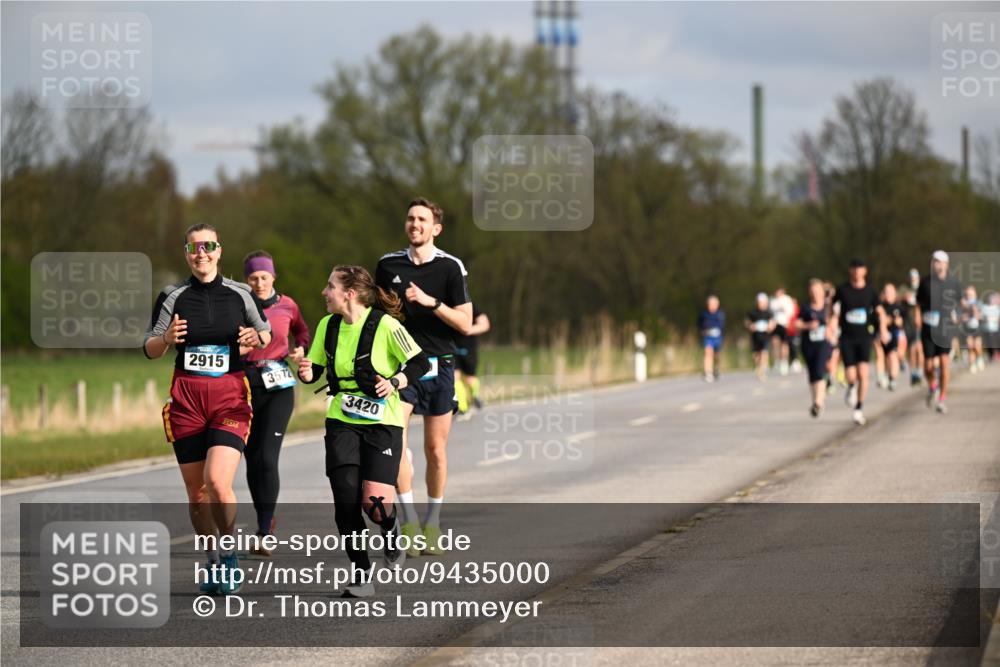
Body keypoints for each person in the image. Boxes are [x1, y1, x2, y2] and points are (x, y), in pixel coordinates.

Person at [144, 223, 272, 595]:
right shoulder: (173, 295)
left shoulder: (241, 293)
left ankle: (229, 553)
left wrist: (256, 337)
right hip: (187, 398)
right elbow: (149, 347)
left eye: (208, 246)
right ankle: (213, 559)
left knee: (217, 481)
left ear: (219, 250)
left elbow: (265, 333)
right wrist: (165, 338)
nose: (201, 253)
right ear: (186, 253)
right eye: (194, 247)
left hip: (229, 396)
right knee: (197, 493)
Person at [297, 265, 429, 597]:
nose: (324, 292)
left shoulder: (385, 325)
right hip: (342, 420)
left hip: (383, 423)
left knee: (375, 503)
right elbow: (314, 370)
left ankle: (390, 528)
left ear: (350, 293)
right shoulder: (327, 326)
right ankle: (362, 574)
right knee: (345, 501)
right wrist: (305, 371)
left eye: (330, 287)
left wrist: (395, 381)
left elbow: (420, 362)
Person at [375, 197, 472, 557]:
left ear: (436, 228)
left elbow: (465, 323)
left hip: (439, 365)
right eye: (411, 218)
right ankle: (410, 521)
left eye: (422, 219)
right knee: (396, 443)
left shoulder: (450, 267)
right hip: (401, 366)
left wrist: (433, 303)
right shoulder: (388, 265)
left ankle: (433, 522)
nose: (415, 224)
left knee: (435, 450)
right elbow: (376, 316)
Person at [241, 250, 311, 555]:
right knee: (252, 458)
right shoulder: (239, 304)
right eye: (253, 278)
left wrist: (301, 348)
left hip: (278, 386)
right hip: (244, 385)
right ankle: (263, 519)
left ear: (273, 277)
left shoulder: (288, 305)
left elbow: (302, 331)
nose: (259, 283)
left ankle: (264, 529)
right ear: (246, 279)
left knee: (267, 458)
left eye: (264, 277)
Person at [831, 258, 889, 426]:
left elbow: (880, 312)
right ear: (850, 271)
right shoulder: (842, 290)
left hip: (864, 336)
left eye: (860, 268)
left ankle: (859, 408)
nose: (857, 271)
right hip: (847, 337)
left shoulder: (870, 291)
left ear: (865, 271)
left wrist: (883, 329)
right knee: (851, 375)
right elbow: (833, 311)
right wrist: (831, 328)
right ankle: (851, 387)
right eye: (854, 268)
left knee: (863, 374)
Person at [916, 250, 962, 414]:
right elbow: (918, 303)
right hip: (928, 329)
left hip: (945, 329)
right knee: (928, 366)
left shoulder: (953, 283)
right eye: (935, 262)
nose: (937, 265)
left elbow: (959, 303)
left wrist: (957, 315)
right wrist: (917, 318)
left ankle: (942, 399)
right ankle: (933, 385)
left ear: (946, 265)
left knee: (944, 363)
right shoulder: (925, 282)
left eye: (940, 262)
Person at [797, 279, 834, 417]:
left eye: (817, 290)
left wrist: (830, 329)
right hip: (808, 343)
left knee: (819, 371)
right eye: (812, 291)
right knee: (812, 373)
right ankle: (817, 402)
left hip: (823, 343)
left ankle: (818, 402)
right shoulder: (805, 308)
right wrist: (808, 325)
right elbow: (797, 323)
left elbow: (835, 320)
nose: (815, 293)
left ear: (822, 291)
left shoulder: (828, 307)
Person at [455, 305, 491, 416]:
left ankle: (475, 395)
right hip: (451, 347)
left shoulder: (470, 306)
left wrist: (467, 329)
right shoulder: (445, 304)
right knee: (454, 377)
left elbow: (485, 324)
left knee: (470, 379)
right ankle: (462, 407)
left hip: (468, 348)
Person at [878, 283, 905, 391]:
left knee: (892, 355)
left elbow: (901, 321)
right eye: (886, 292)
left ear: (895, 294)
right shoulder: (880, 307)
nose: (888, 294)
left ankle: (893, 379)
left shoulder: (899, 307)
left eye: (890, 292)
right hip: (881, 335)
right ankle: (882, 376)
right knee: (882, 356)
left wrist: (893, 321)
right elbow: (877, 320)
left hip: (894, 334)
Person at [745, 293, 775, 382]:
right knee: (755, 355)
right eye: (760, 302)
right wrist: (750, 326)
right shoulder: (753, 312)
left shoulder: (769, 312)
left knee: (764, 352)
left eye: (763, 302)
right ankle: (758, 367)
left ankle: (762, 370)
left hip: (765, 336)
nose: (761, 304)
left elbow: (773, 322)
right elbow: (747, 322)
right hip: (755, 336)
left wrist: (770, 326)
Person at [698, 295, 725, 382]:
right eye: (710, 304)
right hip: (708, 337)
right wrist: (703, 331)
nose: (711, 306)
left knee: (716, 354)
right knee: (708, 352)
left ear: (717, 305)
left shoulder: (720, 314)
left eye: (713, 304)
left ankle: (716, 368)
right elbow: (699, 324)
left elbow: (722, 326)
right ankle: (708, 372)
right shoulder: (704, 314)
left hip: (717, 337)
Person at [904, 269, 924, 386]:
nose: (913, 279)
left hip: (920, 324)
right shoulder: (904, 289)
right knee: (911, 349)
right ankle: (913, 373)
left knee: (919, 348)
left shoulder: (922, 289)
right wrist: (904, 298)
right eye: (911, 277)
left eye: (915, 277)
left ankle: (920, 372)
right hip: (908, 324)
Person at [769, 287, 795, 376]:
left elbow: (791, 312)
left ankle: (784, 362)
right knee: (775, 343)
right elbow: (770, 313)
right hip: (775, 324)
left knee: (784, 344)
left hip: (784, 324)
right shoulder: (773, 301)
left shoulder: (787, 299)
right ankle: (777, 361)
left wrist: (783, 308)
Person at [961, 285, 984, 374]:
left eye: (971, 293)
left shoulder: (979, 303)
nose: (969, 295)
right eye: (968, 294)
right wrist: (965, 315)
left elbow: (981, 315)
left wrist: (975, 312)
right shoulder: (963, 303)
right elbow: (961, 316)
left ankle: (979, 358)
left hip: (977, 328)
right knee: (970, 346)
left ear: (975, 294)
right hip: (967, 328)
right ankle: (972, 364)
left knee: (977, 347)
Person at [983, 291, 1000, 361]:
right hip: (987, 329)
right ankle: (992, 356)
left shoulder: (997, 308)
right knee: (990, 343)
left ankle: (996, 355)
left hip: (996, 329)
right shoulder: (985, 307)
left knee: (995, 343)